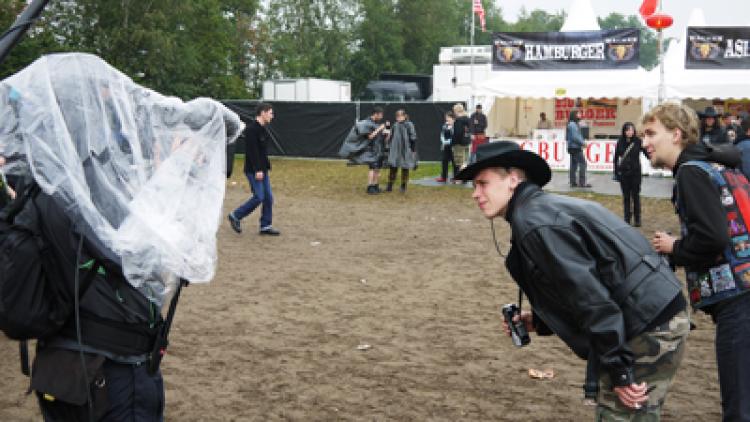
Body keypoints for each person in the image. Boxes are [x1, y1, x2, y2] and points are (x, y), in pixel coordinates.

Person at [455, 141, 689, 421]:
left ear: (513, 180)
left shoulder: (534, 221)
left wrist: (619, 370)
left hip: (648, 322)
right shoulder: (540, 209)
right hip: (653, 310)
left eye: (483, 183)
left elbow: (590, 298)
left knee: (623, 414)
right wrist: (539, 321)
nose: (476, 194)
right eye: (474, 186)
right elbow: (581, 285)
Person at [643, 103, 750, 421]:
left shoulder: (691, 172)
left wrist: (675, 247)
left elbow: (713, 238)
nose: (644, 142)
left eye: (651, 133)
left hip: (739, 301)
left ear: (676, 135)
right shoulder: (715, 166)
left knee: (739, 408)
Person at [228, 102, 280, 235]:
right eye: (270, 113)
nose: (272, 116)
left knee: (268, 198)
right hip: (254, 170)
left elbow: (262, 152)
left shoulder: (263, 129)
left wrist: (264, 168)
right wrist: (257, 170)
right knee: (259, 197)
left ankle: (265, 226)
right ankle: (235, 215)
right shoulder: (251, 130)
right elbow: (252, 152)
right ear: (263, 113)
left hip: (262, 169)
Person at [338, 107, 390, 194]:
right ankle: (370, 187)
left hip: (378, 149)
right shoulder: (365, 124)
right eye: (380, 115)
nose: (382, 117)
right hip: (371, 150)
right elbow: (369, 136)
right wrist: (380, 128)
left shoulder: (376, 123)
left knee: (377, 168)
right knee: (372, 168)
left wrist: (387, 129)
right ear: (375, 114)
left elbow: (385, 136)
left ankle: (375, 186)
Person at [613, 122, 646, 227]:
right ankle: (627, 218)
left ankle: (637, 219)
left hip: (636, 173)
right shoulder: (620, 142)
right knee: (626, 197)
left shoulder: (638, 141)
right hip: (624, 173)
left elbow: (646, 153)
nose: (630, 132)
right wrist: (616, 172)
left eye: (631, 130)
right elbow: (615, 158)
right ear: (624, 131)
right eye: (627, 130)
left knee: (636, 196)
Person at [385, 109, 417, 193]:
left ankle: (403, 185)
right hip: (395, 150)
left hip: (406, 149)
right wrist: (387, 129)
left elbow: (413, 137)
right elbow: (389, 136)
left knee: (405, 167)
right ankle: (390, 185)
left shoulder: (409, 125)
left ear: (404, 116)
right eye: (397, 116)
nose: (398, 118)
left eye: (400, 116)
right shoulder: (395, 125)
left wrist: (413, 149)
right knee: (393, 167)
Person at [566, 109, 591, 188]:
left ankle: (573, 182)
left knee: (574, 165)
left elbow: (575, 136)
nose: (580, 115)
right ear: (575, 115)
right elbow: (575, 137)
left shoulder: (572, 124)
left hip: (572, 147)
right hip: (575, 147)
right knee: (583, 163)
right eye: (579, 113)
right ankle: (582, 183)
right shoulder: (573, 125)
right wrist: (583, 143)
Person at [451, 103, 471, 179]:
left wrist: (453, 143)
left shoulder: (458, 120)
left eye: (454, 111)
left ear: (457, 111)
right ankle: (464, 178)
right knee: (465, 161)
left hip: (459, 144)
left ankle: (461, 178)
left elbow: (458, 133)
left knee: (459, 162)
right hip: (467, 142)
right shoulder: (468, 119)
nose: (454, 113)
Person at [436, 111, 456, 183]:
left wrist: (449, 141)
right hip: (445, 146)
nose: (447, 119)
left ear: (452, 118)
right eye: (446, 117)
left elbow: (455, 136)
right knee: (444, 161)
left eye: (448, 117)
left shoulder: (455, 125)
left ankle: (455, 177)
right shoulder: (445, 125)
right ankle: (444, 177)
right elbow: (442, 134)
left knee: (455, 162)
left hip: (453, 146)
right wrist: (443, 140)